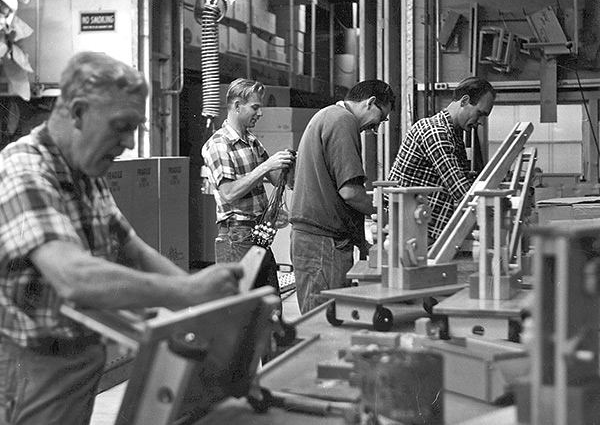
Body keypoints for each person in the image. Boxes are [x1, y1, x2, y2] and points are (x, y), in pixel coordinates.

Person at [0, 52, 244, 425]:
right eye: (121, 126)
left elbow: (133, 250)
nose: (129, 143)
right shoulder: (24, 170)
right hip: (30, 366)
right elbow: (74, 277)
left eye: (136, 128)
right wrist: (187, 293)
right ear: (78, 112)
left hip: (78, 358)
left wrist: (210, 308)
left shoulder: (86, 171)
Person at [290, 79, 396, 314]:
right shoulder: (342, 120)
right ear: (370, 103)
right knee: (323, 321)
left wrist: (361, 241)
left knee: (322, 317)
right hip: (322, 244)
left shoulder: (328, 116)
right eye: (381, 119)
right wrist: (389, 216)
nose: (376, 128)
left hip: (317, 241)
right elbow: (350, 193)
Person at [202, 78, 296, 298]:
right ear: (237, 106)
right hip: (236, 238)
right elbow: (229, 193)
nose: (260, 113)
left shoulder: (252, 141)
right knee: (241, 310)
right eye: (255, 107)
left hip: (258, 234)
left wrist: (287, 164)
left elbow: (276, 179)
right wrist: (266, 165)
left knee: (271, 304)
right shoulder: (218, 144)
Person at [388, 76, 496, 246]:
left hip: (425, 233)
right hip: (411, 235)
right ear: (465, 101)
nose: (480, 122)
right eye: (480, 113)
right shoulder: (435, 132)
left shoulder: (454, 136)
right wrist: (495, 214)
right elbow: (460, 190)